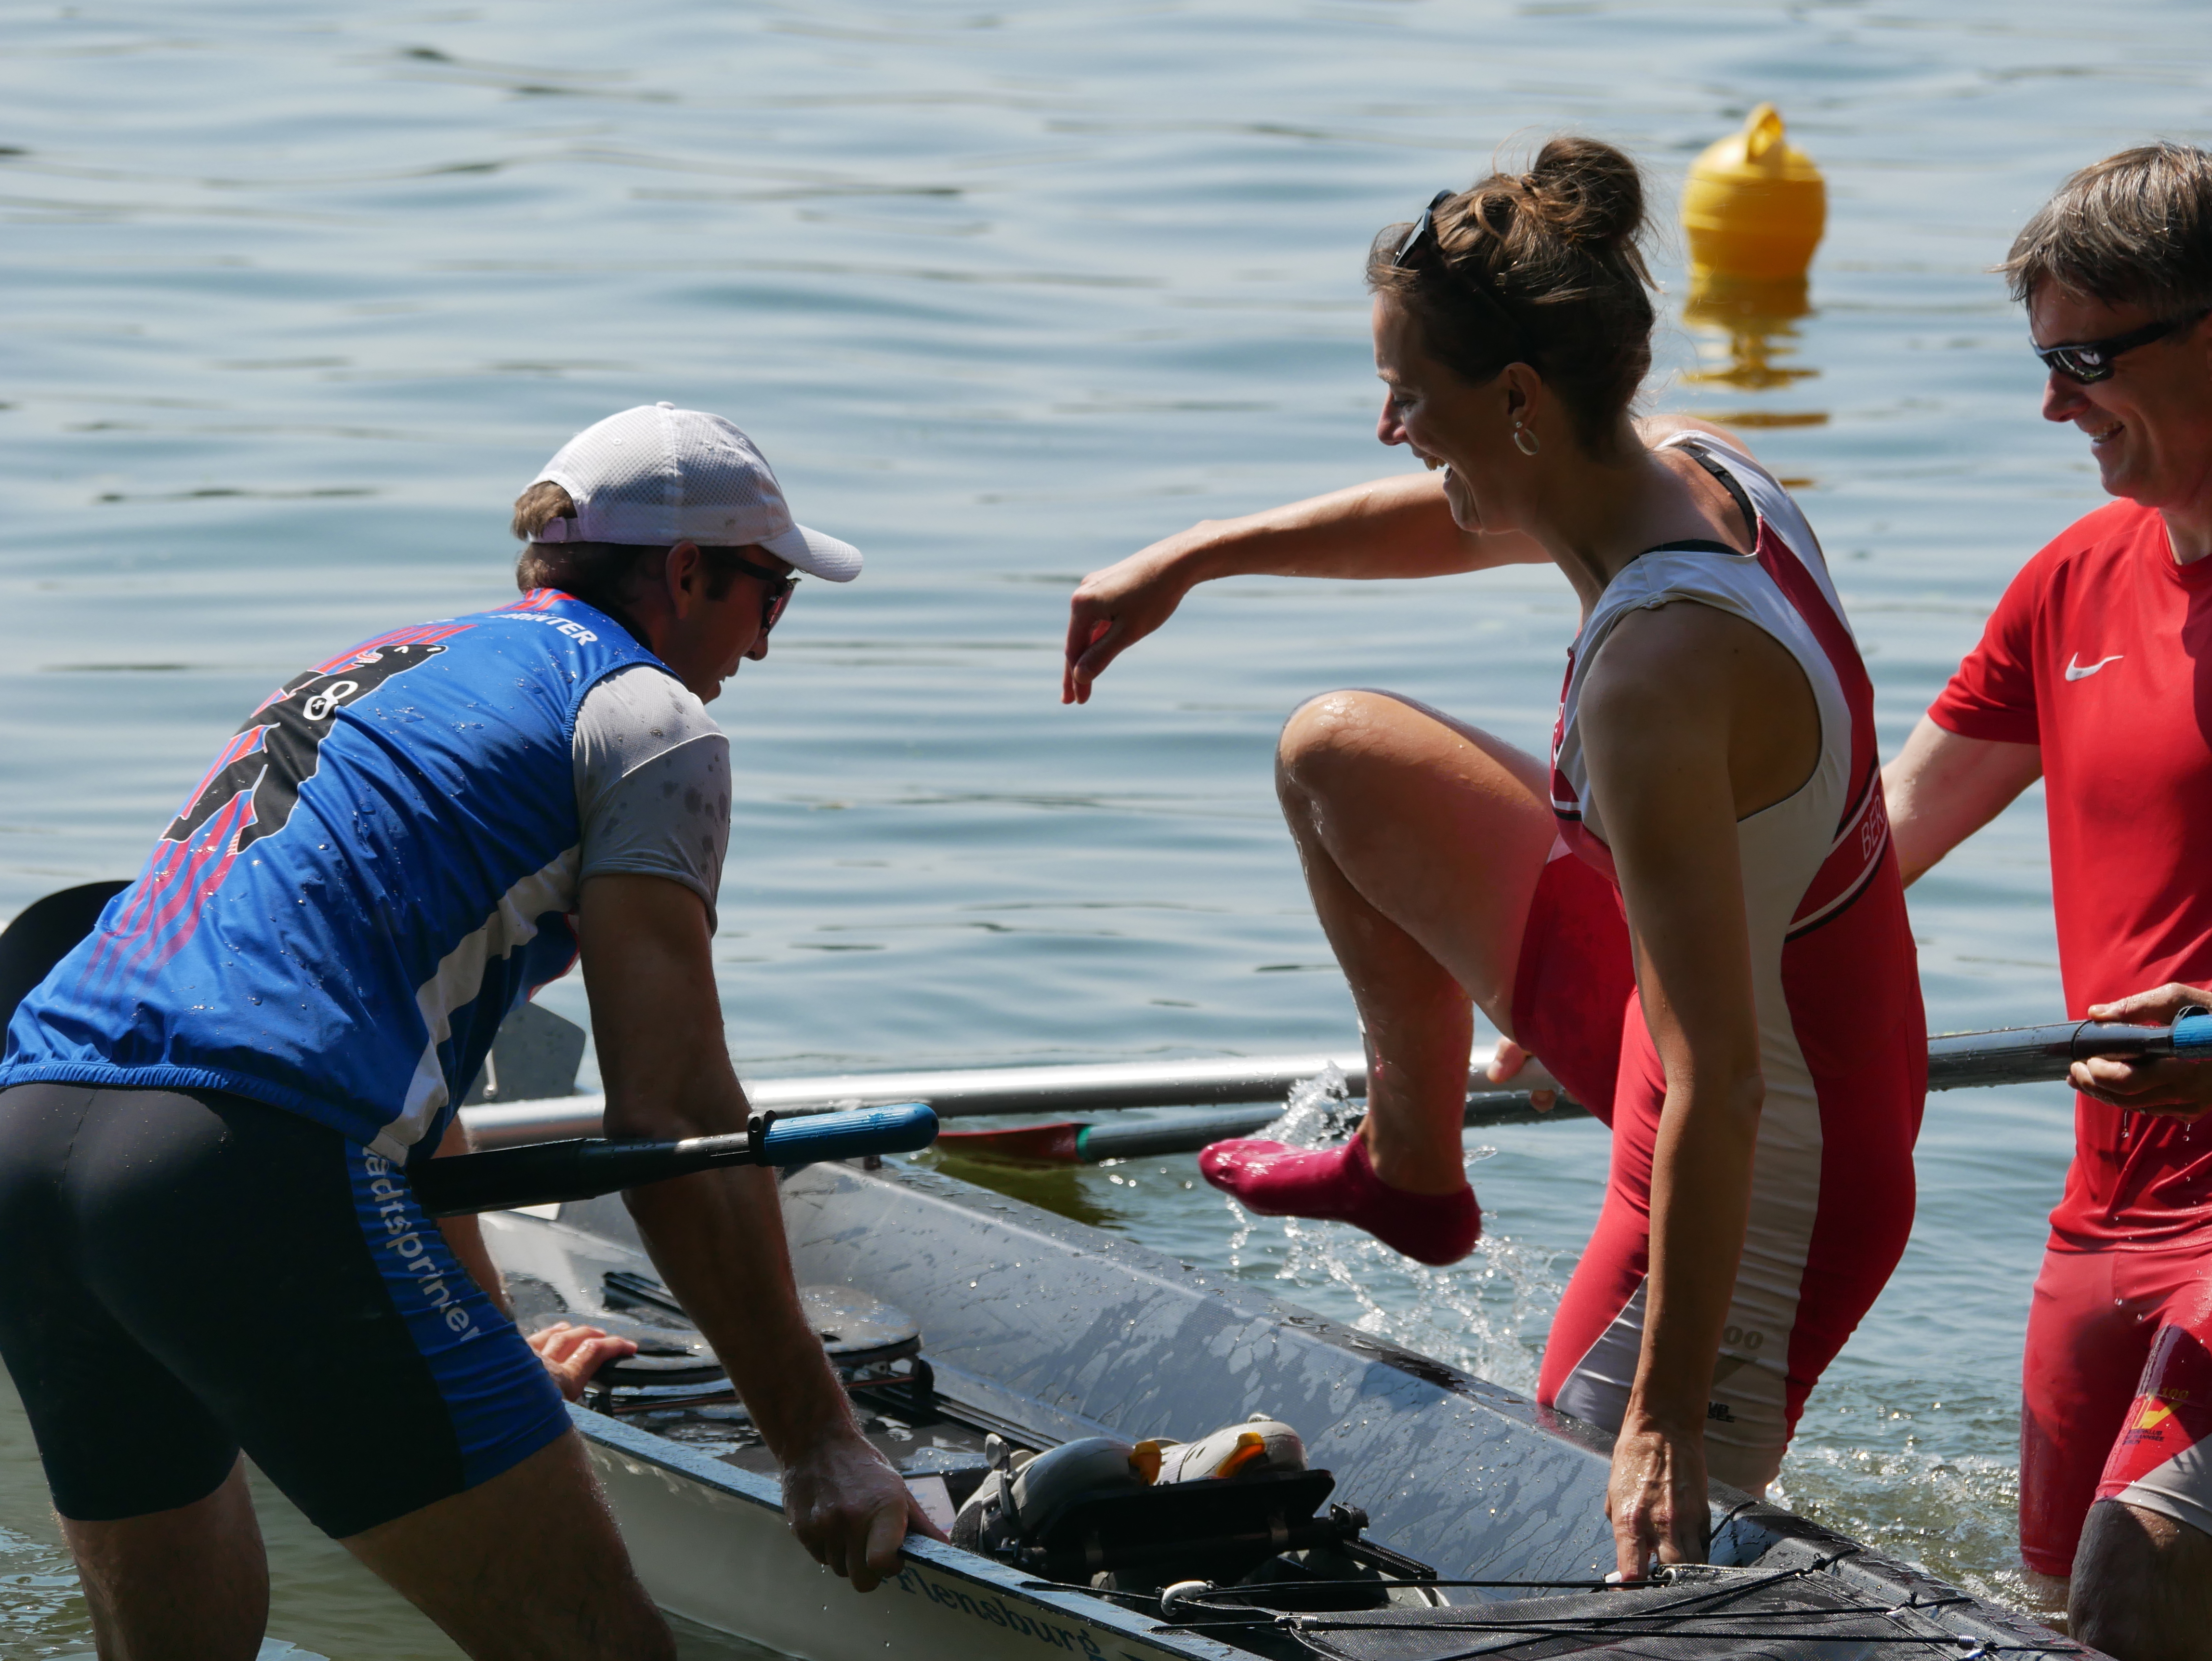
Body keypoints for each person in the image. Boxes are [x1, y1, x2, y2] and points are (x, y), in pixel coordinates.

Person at [1062, 139, 1926, 1578]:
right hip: (1698, 1018)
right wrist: (1198, 554)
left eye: (1412, 393)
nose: (1391, 423)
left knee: (1579, 1543)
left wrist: (1658, 1420)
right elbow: (1451, 522)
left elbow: (1730, 1079)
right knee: (1337, 756)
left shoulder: (1653, 677)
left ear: (1520, 399)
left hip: (1777, 1157)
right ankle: (1412, 1170)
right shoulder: (1700, 468)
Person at [0, 402, 935, 1660]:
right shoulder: (649, 720)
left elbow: (392, 1074)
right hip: (241, 1166)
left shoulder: (372, 664)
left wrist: (474, 1345)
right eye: (770, 598)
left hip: (29, 1132)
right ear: (686, 572)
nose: (762, 646)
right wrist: (820, 1443)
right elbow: (678, 1122)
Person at [1881, 143, 2212, 1660]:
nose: (2052, 406)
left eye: (2084, 360)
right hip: (2105, 1212)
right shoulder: (2073, 579)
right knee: (2049, 1624)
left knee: (2135, 1578)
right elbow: (1865, 850)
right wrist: (1616, 1000)